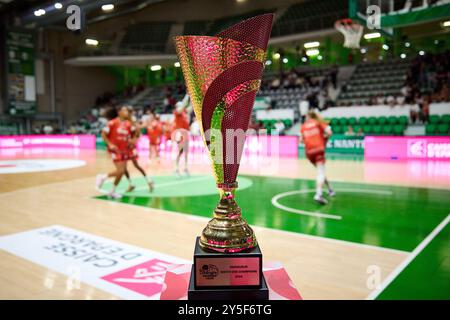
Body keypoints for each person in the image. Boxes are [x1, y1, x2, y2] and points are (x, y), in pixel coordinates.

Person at [95, 106, 134, 199]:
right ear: (119, 112)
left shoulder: (128, 124)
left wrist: (132, 141)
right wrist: (110, 144)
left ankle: (112, 191)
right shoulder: (113, 123)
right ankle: (102, 177)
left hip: (124, 150)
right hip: (115, 150)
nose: (126, 112)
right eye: (124, 110)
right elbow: (103, 134)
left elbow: (132, 135)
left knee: (122, 171)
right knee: (120, 170)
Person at [300, 110, 335, 205]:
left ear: (308, 116)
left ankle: (330, 189)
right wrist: (323, 139)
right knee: (321, 172)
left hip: (309, 152)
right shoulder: (318, 122)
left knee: (321, 172)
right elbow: (329, 132)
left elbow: (301, 141)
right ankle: (318, 194)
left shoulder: (303, 127)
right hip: (318, 149)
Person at [123, 106, 154, 192]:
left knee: (135, 165)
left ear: (128, 112)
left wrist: (134, 140)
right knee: (123, 167)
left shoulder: (131, 121)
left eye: (125, 110)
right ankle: (131, 184)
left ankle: (149, 181)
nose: (123, 112)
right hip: (125, 147)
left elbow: (137, 132)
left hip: (130, 147)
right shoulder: (125, 121)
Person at [172, 95, 191, 177]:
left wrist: (194, 96)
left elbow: (191, 107)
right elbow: (184, 105)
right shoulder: (177, 112)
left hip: (185, 133)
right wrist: (187, 95)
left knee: (186, 152)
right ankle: (176, 168)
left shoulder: (184, 113)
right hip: (179, 133)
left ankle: (185, 168)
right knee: (179, 151)